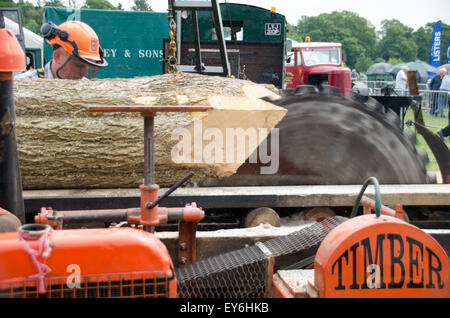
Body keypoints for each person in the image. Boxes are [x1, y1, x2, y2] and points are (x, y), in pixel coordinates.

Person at [15, 20, 107, 80]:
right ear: (57, 56)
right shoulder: (22, 85)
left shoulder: (86, 87)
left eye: (88, 66)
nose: (85, 73)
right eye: (79, 66)